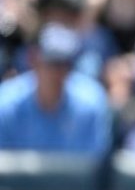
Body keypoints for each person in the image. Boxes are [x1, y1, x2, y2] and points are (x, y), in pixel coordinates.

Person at [0, 22, 111, 154]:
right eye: (52, 62)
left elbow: (94, 166)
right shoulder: (7, 103)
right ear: (33, 60)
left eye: (65, 63)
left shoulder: (91, 102)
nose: (59, 72)